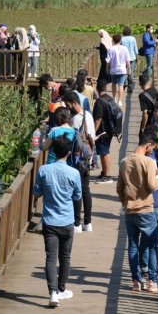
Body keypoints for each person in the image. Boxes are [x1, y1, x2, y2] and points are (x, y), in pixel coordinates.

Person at [33, 134, 82, 308]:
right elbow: (77, 196)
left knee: (51, 257)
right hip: (67, 221)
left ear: (53, 151)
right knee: (65, 257)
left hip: (49, 221)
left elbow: (36, 192)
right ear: (68, 153)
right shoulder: (74, 173)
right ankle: (61, 289)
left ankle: (52, 292)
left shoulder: (44, 170)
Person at [117, 133, 158, 293]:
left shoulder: (124, 162)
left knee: (133, 245)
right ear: (148, 146)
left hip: (130, 209)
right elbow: (152, 185)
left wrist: (125, 202)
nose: (151, 150)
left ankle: (136, 282)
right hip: (145, 209)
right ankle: (153, 281)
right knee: (152, 245)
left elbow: (119, 188)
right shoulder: (148, 161)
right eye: (152, 147)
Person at [62, 91, 95, 232]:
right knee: (86, 189)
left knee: (77, 190)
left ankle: (76, 223)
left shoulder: (75, 120)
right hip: (88, 157)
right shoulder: (88, 115)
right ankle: (88, 222)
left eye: (69, 105)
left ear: (75, 103)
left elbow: (73, 139)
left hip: (77, 159)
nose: (68, 108)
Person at [93, 79, 115, 184]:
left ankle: (108, 175)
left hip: (102, 132)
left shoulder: (99, 101)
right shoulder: (109, 98)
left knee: (105, 152)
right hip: (109, 130)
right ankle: (104, 172)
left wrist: (93, 131)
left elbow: (98, 118)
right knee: (102, 152)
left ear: (97, 89)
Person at [106, 34, 131, 107]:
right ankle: (119, 100)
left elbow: (108, 61)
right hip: (122, 70)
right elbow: (128, 61)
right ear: (120, 40)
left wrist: (107, 69)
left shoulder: (111, 49)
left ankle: (114, 98)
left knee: (113, 84)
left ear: (113, 40)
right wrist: (129, 69)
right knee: (121, 85)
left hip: (113, 70)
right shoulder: (125, 49)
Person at [138, 73, 158, 139]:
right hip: (157, 121)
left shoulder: (142, 96)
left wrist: (143, 128)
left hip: (149, 123)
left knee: (144, 142)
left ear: (140, 84)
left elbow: (145, 114)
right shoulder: (155, 90)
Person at [121, 26, 139, 93]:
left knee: (123, 72)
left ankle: (124, 83)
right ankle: (130, 86)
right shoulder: (133, 39)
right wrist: (137, 58)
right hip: (131, 57)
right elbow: (135, 49)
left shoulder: (122, 39)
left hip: (123, 58)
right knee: (130, 72)